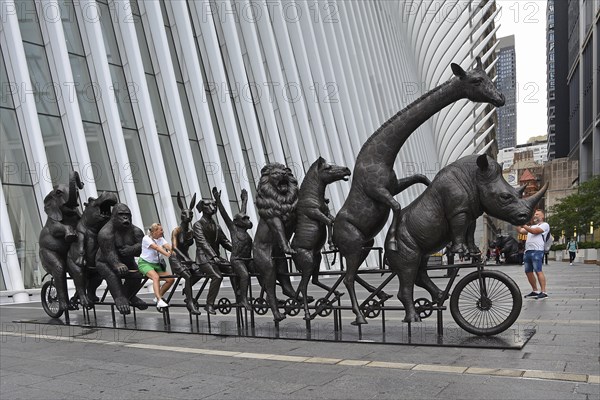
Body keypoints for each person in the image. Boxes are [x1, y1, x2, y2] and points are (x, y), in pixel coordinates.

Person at [193, 198, 233, 315]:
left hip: (216, 258)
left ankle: (240, 297)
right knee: (217, 276)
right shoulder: (198, 225)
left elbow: (225, 242)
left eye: (213, 205)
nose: (212, 207)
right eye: (208, 205)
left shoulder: (217, 226)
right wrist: (214, 256)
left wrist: (239, 251)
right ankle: (209, 304)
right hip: (204, 258)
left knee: (234, 269)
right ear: (201, 208)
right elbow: (203, 243)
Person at [138, 223, 175, 308]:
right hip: (145, 263)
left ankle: (158, 296)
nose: (163, 231)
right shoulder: (146, 239)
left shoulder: (161, 239)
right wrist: (169, 255)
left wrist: (175, 252)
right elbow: (157, 248)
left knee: (171, 279)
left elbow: (168, 246)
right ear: (154, 231)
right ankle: (159, 300)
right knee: (155, 277)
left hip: (156, 265)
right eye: (161, 230)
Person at [516, 209, 550, 300]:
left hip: (537, 251)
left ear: (542, 216)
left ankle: (543, 291)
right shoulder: (531, 226)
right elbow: (521, 231)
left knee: (538, 270)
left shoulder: (545, 225)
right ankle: (535, 290)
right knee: (528, 272)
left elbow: (534, 231)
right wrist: (516, 221)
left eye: (538, 214)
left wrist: (524, 225)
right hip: (528, 251)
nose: (535, 215)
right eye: (534, 214)